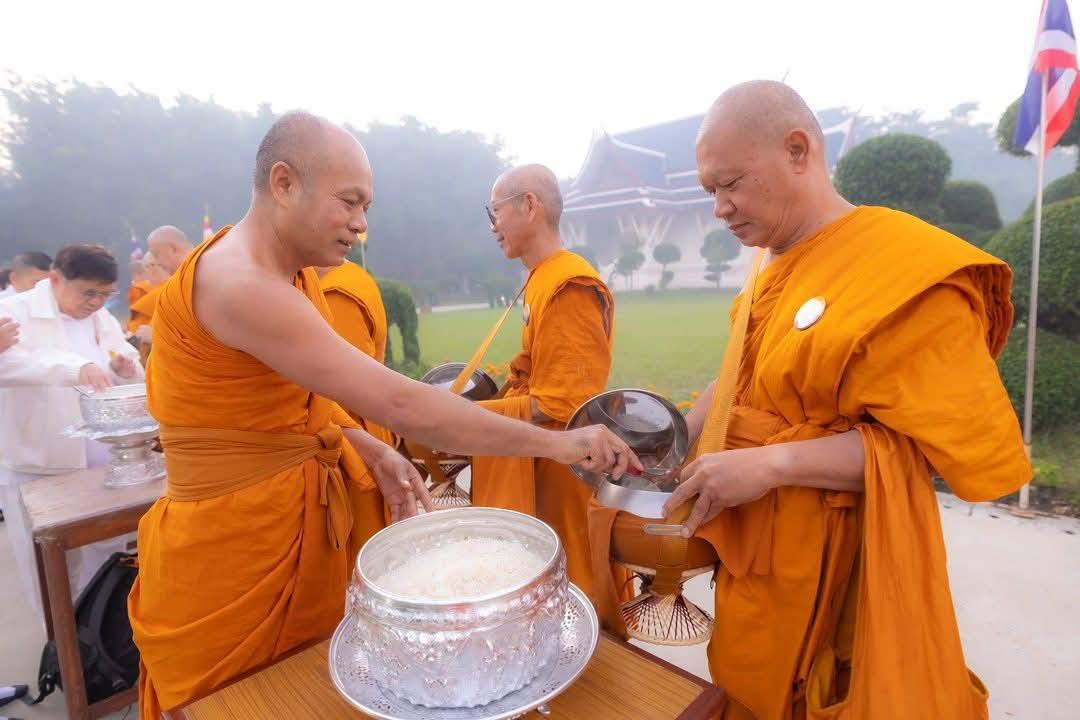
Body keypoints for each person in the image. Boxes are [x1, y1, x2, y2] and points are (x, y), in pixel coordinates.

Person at [128, 111, 639, 719]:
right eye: (349, 202)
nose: (361, 224)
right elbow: (400, 403)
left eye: (365, 206)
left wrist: (370, 448)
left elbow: (293, 405)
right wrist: (558, 443)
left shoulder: (286, 277)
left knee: (303, 694)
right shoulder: (243, 285)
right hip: (230, 549)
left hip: (288, 517)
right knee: (244, 704)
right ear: (284, 183)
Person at [590, 81, 1030, 720]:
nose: (719, 208)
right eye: (710, 190)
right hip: (755, 551)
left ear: (798, 150)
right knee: (744, 681)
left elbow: (925, 452)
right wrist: (673, 437)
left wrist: (773, 465)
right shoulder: (770, 264)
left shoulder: (906, 272)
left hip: (843, 569)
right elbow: (741, 376)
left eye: (730, 184)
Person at [464, 164, 623, 600]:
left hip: (563, 466)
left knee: (567, 584)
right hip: (541, 454)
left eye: (495, 212)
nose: (493, 226)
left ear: (529, 205)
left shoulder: (569, 285)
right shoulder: (542, 277)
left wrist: (473, 418)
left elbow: (563, 402)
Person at [0, 245, 141, 618]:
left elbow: (118, 354)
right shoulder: (13, 312)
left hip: (99, 456)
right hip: (38, 462)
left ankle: (102, 631)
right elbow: (9, 366)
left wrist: (124, 367)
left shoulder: (99, 317)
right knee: (48, 566)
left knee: (106, 551)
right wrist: (74, 368)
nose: (95, 302)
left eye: (105, 294)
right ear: (55, 279)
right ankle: (61, 639)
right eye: (88, 292)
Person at [317, 257, 398, 557]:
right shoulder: (352, 276)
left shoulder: (336, 294)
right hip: (362, 431)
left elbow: (340, 388)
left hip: (352, 445)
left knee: (360, 557)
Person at [128, 250, 172, 363]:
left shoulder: (171, 294)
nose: (147, 272)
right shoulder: (154, 293)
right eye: (146, 267)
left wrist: (156, 337)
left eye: (150, 266)